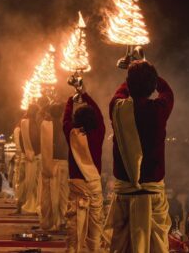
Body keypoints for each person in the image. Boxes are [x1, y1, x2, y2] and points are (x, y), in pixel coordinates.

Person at [105, 60, 174, 253]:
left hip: (125, 194)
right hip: (153, 196)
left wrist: (132, 70)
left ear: (129, 83)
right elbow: (167, 91)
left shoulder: (117, 108)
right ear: (152, 85)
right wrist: (148, 72)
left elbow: (120, 93)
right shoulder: (159, 110)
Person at [63, 86, 105, 253]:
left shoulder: (72, 134)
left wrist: (70, 100)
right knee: (95, 227)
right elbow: (100, 115)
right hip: (94, 185)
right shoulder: (99, 132)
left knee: (74, 225)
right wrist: (85, 94)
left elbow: (65, 120)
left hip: (77, 185)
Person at [40, 102, 69, 231]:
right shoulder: (67, 126)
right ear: (62, 113)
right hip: (64, 163)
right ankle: (62, 220)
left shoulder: (46, 126)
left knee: (49, 195)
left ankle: (49, 222)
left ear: (50, 113)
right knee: (63, 194)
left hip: (50, 164)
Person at [19, 103, 42, 214]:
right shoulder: (32, 123)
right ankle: (31, 206)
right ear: (35, 112)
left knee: (29, 183)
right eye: (38, 112)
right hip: (34, 157)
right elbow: (35, 140)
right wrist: (37, 153)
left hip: (28, 156)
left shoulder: (24, 122)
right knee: (33, 184)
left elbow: (21, 141)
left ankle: (25, 205)